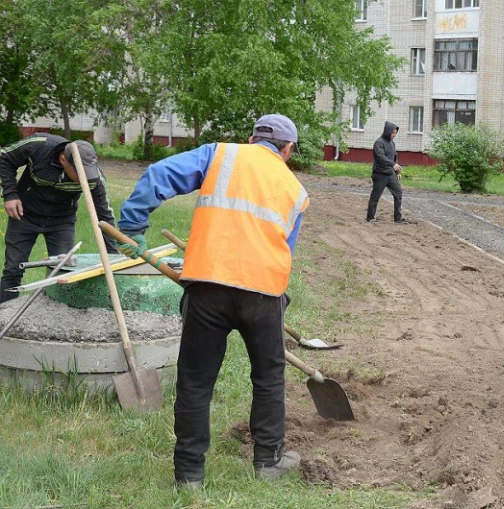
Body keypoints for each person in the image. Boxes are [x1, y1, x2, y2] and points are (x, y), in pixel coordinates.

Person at [116, 114, 310, 488]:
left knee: (195, 382)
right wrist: (277, 299)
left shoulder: (219, 154)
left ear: (251, 139)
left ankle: (189, 476)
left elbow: (158, 175)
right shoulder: (295, 189)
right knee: (269, 378)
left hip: (206, 287)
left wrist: (131, 227)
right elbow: (285, 249)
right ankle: (268, 462)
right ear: (287, 149)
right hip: (263, 292)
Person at [0, 134, 117, 303]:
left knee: (64, 272)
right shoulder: (38, 146)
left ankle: (58, 321)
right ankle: (4, 317)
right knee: (13, 269)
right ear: (63, 160)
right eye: (79, 172)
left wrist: (112, 257)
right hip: (24, 215)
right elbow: (4, 157)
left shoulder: (95, 178)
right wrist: (10, 194)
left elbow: (104, 215)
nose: (85, 177)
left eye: (88, 171)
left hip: (62, 222)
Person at [366, 121, 409, 223]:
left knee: (398, 193)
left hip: (390, 174)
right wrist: (392, 164)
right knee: (375, 196)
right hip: (380, 174)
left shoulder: (392, 143)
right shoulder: (379, 143)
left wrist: (397, 172)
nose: (394, 135)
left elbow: (394, 158)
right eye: (392, 132)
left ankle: (398, 218)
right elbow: (381, 157)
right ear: (387, 131)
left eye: (395, 133)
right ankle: (370, 217)